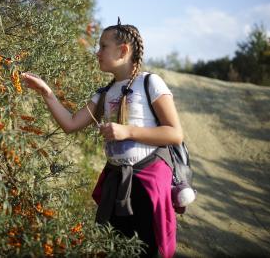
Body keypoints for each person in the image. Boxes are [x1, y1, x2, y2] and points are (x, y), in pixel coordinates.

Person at [21, 19, 182, 258]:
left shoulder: (150, 83)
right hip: (116, 184)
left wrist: (127, 131)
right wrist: (47, 92)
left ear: (123, 50)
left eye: (103, 46)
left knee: (146, 250)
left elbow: (175, 134)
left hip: (147, 186)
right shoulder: (104, 93)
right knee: (113, 250)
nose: (97, 52)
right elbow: (70, 124)